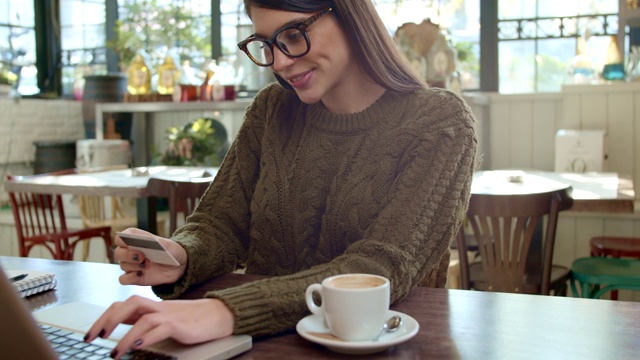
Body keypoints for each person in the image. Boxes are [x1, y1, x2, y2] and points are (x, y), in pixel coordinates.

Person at [85, 1, 478, 358]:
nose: (279, 62)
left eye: (293, 35)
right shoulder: (272, 111)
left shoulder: (439, 124)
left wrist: (226, 311)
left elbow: (378, 266)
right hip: (262, 344)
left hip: (377, 349)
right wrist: (183, 255)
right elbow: (219, 222)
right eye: (266, 43)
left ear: (350, 15)